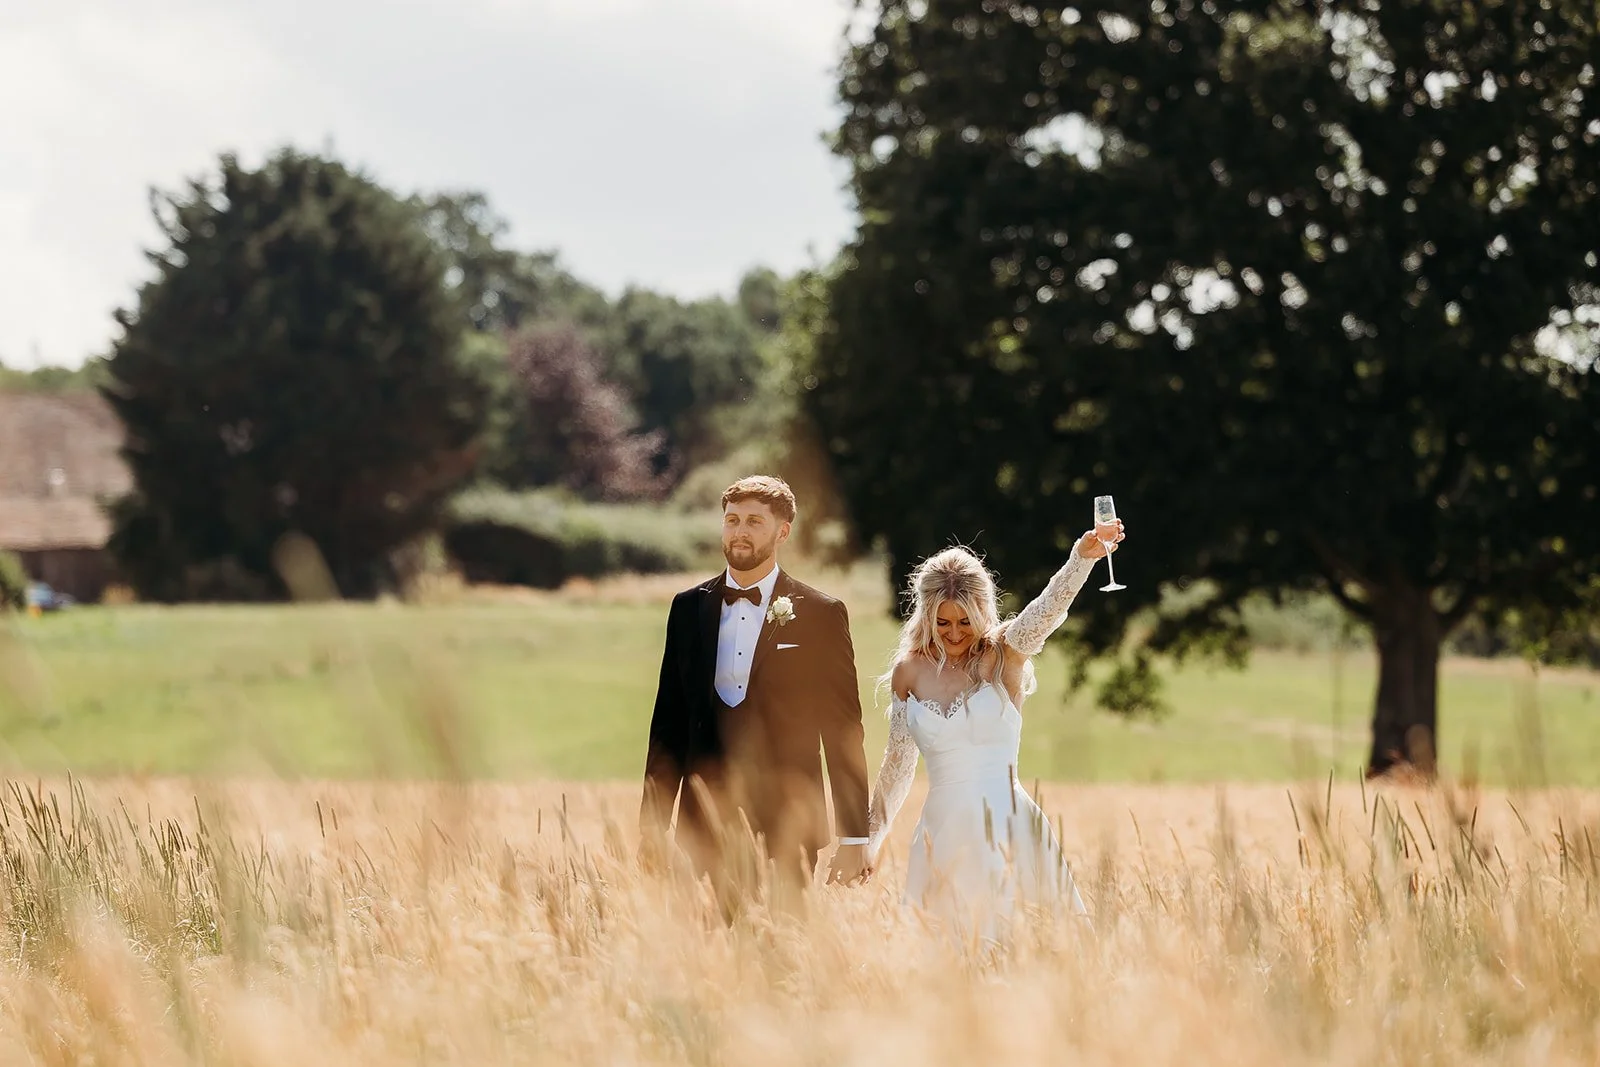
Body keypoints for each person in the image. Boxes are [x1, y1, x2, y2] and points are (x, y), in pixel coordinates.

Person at [865, 516, 1126, 942]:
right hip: (941, 833)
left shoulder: (1005, 654)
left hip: (1007, 825)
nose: (953, 633)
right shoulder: (908, 671)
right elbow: (897, 766)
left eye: (964, 622)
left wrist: (1082, 559)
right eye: (943, 622)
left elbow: (1046, 611)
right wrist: (870, 839)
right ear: (926, 615)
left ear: (982, 612)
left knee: (1025, 945)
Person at [639, 475, 872, 893]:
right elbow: (668, 725)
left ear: (782, 532)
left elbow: (842, 730)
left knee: (783, 952)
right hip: (702, 823)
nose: (739, 532)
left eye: (753, 522)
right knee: (705, 954)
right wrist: (653, 824)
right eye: (732, 520)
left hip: (789, 822)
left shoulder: (822, 613)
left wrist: (854, 836)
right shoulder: (688, 608)